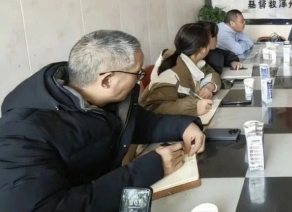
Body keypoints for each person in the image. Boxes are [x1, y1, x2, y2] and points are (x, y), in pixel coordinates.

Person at [0, 30, 205, 212]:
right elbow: (51, 207)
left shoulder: (99, 94)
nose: (140, 78)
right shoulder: (21, 134)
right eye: (138, 73)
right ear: (107, 80)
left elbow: (137, 123)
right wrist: (148, 169)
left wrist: (183, 126)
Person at [140, 23, 221, 117]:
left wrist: (209, 87)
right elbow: (153, 108)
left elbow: (213, 73)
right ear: (202, 49)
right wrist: (194, 106)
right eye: (208, 43)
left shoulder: (195, 61)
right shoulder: (171, 74)